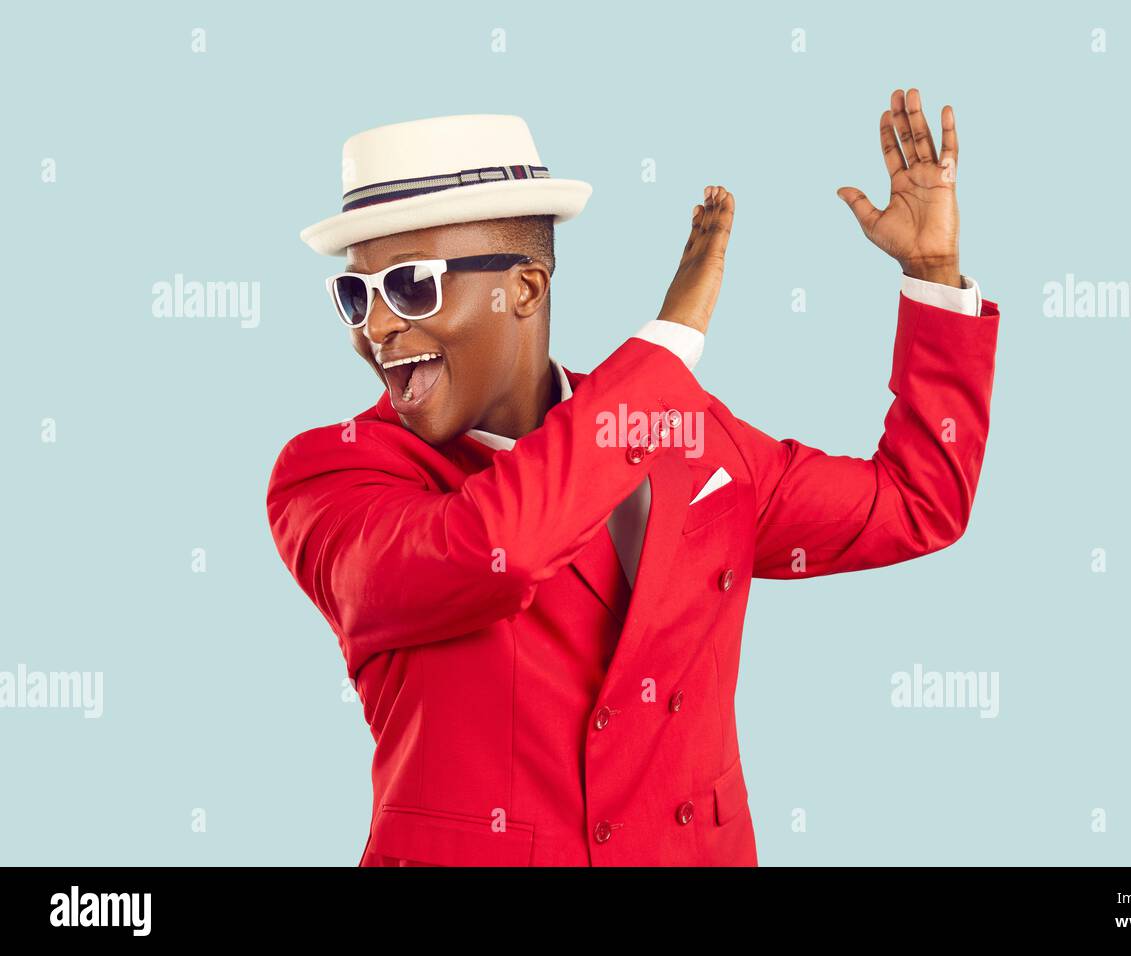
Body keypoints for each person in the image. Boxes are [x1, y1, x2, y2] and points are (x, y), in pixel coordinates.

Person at [267, 90, 1000, 866]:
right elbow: (500, 548)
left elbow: (919, 505)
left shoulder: (693, 438)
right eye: (356, 295)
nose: (376, 328)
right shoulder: (332, 475)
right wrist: (669, 344)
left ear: (523, 288)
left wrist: (933, 277)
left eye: (412, 285)